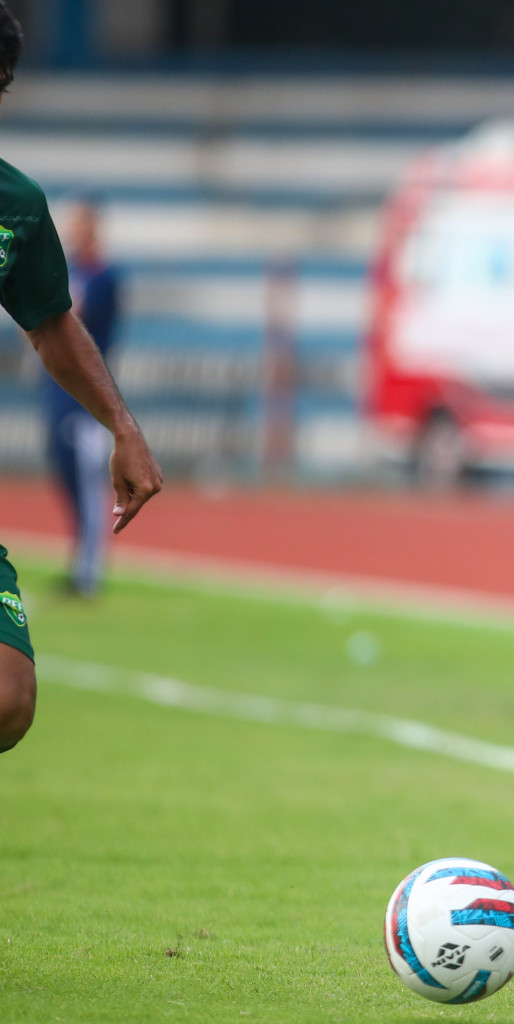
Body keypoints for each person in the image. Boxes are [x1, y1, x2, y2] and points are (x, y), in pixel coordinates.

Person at [0, 1, 162, 754]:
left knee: (8, 696)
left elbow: (52, 322)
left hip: (67, 409)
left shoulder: (16, 207)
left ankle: (88, 566)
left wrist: (122, 428)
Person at [45, 200, 120, 596]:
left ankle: (89, 572)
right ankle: (79, 560)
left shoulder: (104, 275)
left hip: (87, 398)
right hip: (59, 393)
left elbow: (78, 319)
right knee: (67, 479)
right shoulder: (69, 270)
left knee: (90, 485)